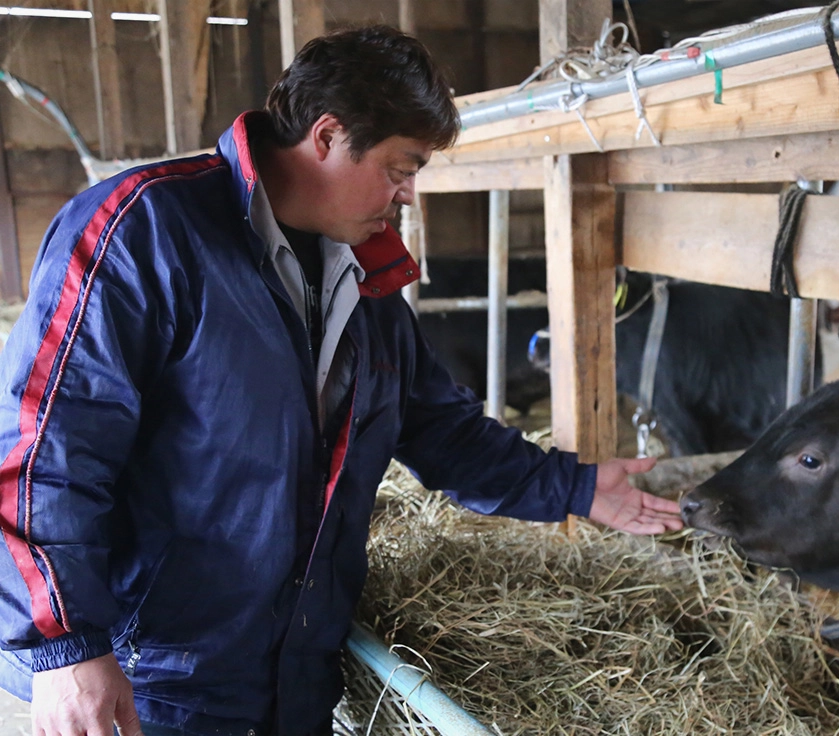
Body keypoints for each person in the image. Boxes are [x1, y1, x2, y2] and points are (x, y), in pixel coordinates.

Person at [0, 25, 682, 736]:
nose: (410, 195)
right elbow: (46, 448)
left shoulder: (366, 282)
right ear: (327, 137)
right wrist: (66, 648)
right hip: (157, 680)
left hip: (294, 674)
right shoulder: (146, 232)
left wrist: (575, 487)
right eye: (400, 167)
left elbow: (443, 431)